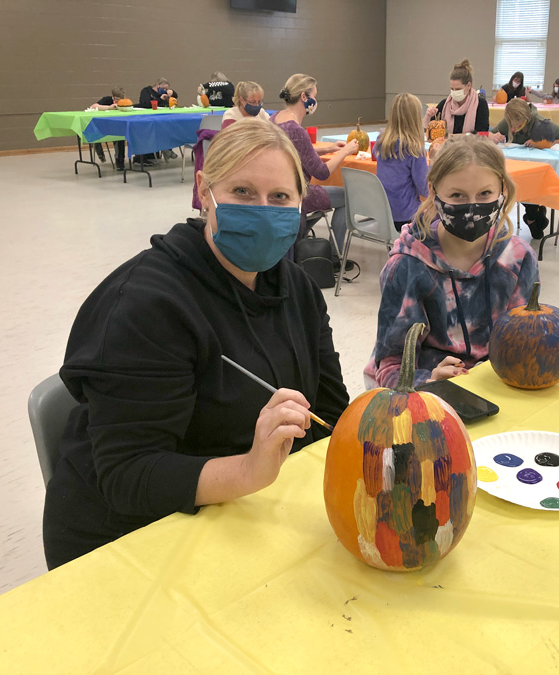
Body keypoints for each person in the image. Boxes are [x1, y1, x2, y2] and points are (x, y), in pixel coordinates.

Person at [42, 118, 350, 569]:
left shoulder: (298, 290)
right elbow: (128, 476)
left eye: (281, 197)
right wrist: (248, 469)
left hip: (240, 515)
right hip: (127, 537)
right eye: (242, 192)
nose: (263, 210)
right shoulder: (147, 304)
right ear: (205, 191)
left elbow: (331, 415)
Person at [365, 134, 539, 389]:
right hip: (423, 394)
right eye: (457, 195)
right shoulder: (407, 267)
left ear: (502, 190)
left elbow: (523, 341)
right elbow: (391, 366)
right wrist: (429, 381)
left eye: (485, 193)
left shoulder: (518, 258)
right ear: (433, 192)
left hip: (495, 388)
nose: (472, 208)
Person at [272, 73, 358, 249]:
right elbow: (322, 172)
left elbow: (295, 149)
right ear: (304, 97)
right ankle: (334, 255)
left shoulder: (275, 118)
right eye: (314, 96)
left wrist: (329, 148)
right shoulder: (296, 129)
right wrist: (346, 151)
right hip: (298, 194)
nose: (315, 101)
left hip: (277, 191)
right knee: (346, 196)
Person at [490, 99, 559, 238]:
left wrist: (543, 143)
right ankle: (535, 215)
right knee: (514, 184)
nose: (512, 127)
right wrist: (494, 137)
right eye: (510, 123)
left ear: (526, 117)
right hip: (519, 169)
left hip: (540, 171)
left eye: (516, 122)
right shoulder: (508, 121)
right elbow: (492, 134)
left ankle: (533, 216)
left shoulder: (541, 123)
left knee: (526, 186)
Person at [373, 93, 429, 233]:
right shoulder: (414, 150)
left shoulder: (381, 143)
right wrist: (433, 163)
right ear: (416, 118)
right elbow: (425, 189)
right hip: (407, 218)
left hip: (383, 215)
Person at [423, 59, 490, 135]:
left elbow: (482, 133)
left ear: (468, 85)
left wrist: (452, 137)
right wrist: (427, 116)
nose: (454, 92)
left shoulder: (480, 104)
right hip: (447, 142)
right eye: (452, 89)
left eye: (458, 89)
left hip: (471, 143)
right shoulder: (445, 104)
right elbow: (427, 128)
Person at [87, 87, 126, 171]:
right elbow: (93, 107)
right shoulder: (107, 100)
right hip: (103, 126)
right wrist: (109, 107)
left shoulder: (124, 102)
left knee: (120, 136)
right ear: (113, 97)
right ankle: (100, 154)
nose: (117, 101)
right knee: (93, 132)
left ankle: (120, 160)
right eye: (116, 99)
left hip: (116, 127)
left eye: (120, 99)